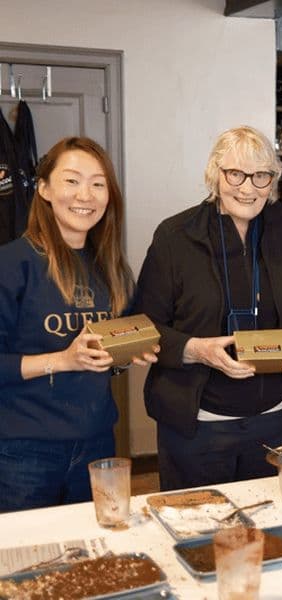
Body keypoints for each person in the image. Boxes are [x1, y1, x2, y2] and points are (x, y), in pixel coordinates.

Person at [134, 125, 282, 490]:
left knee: (274, 522)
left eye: (261, 175)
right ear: (215, 174)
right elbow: (144, 327)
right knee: (198, 523)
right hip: (198, 428)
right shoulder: (175, 236)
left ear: (273, 180)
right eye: (236, 173)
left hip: (278, 424)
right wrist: (196, 350)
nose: (248, 188)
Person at [0, 136, 157, 512]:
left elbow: (112, 351)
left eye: (98, 184)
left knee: (97, 543)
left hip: (98, 442)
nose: (85, 195)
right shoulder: (11, 263)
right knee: (31, 549)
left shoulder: (112, 268)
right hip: (22, 452)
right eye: (71, 180)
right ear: (43, 188)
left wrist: (127, 353)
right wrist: (63, 360)